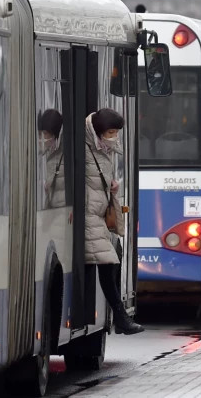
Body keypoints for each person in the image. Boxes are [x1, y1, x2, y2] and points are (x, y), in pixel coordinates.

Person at [84, 108, 143, 335]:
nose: (114, 137)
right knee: (109, 262)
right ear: (99, 131)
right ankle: (120, 317)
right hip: (86, 216)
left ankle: (119, 317)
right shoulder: (84, 146)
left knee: (113, 261)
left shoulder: (103, 148)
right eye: (110, 132)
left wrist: (112, 185)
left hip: (96, 214)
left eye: (116, 132)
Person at [38, 109, 65, 209]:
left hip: (62, 211)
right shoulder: (51, 152)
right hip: (55, 209)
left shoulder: (63, 153)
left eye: (45, 133)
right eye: (40, 133)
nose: (42, 138)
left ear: (55, 133)